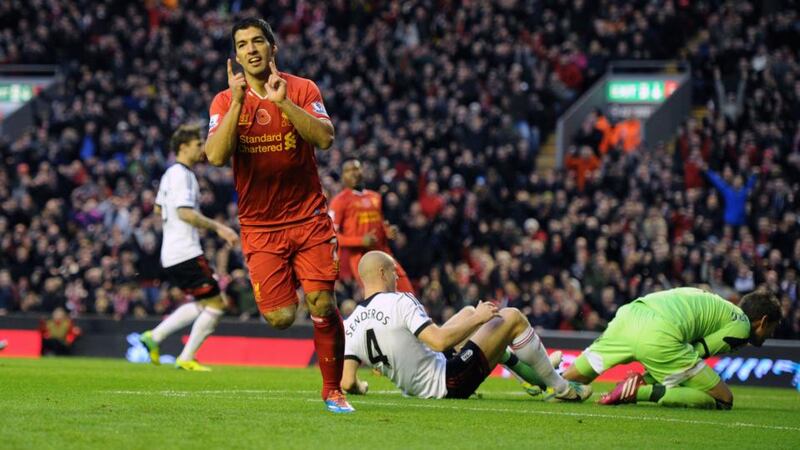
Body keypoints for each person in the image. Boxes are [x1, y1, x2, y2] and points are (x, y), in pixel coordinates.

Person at [203, 18, 351, 413]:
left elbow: (325, 138)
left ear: (272, 48)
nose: (250, 49)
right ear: (235, 55)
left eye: (257, 42)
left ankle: (334, 389)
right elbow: (216, 156)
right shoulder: (223, 100)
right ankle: (322, 322)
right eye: (242, 44)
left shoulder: (301, 88)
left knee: (321, 301)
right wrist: (237, 103)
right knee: (281, 317)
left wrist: (282, 102)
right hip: (260, 226)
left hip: (308, 218)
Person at [340, 251, 592, 401]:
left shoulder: (350, 323)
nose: (397, 277)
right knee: (511, 316)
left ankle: (524, 370)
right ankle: (560, 387)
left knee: (467, 312)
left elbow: (347, 381)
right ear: (383, 274)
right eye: (394, 272)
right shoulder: (400, 301)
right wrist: (479, 319)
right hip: (446, 382)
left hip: (415, 385)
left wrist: (361, 388)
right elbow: (438, 341)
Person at [563, 287, 782, 409]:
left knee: (566, 382)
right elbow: (695, 354)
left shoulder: (721, 307)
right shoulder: (741, 326)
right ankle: (638, 392)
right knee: (723, 399)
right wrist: (646, 383)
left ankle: (537, 377)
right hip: (659, 333)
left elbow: (680, 360)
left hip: (630, 314)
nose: (771, 334)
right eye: (772, 327)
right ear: (762, 321)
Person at [139, 124, 239, 372]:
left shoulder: (170, 174)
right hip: (185, 251)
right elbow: (184, 212)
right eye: (198, 144)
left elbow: (159, 209)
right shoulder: (182, 175)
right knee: (217, 305)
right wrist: (219, 228)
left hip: (172, 252)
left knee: (204, 303)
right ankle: (186, 357)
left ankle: (155, 337)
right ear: (183, 147)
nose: (202, 148)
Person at [329, 159, 414, 293]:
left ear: (362, 171)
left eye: (356, 169)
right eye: (348, 171)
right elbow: (332, 236)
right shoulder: (338, 202)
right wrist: (360, 241)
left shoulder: (375, 197)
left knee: (408, 294)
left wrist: (387, 232)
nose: (353, 173)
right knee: (383, 299)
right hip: (362, 259)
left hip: (384, 254)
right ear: (343, 176)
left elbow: (380, 223)